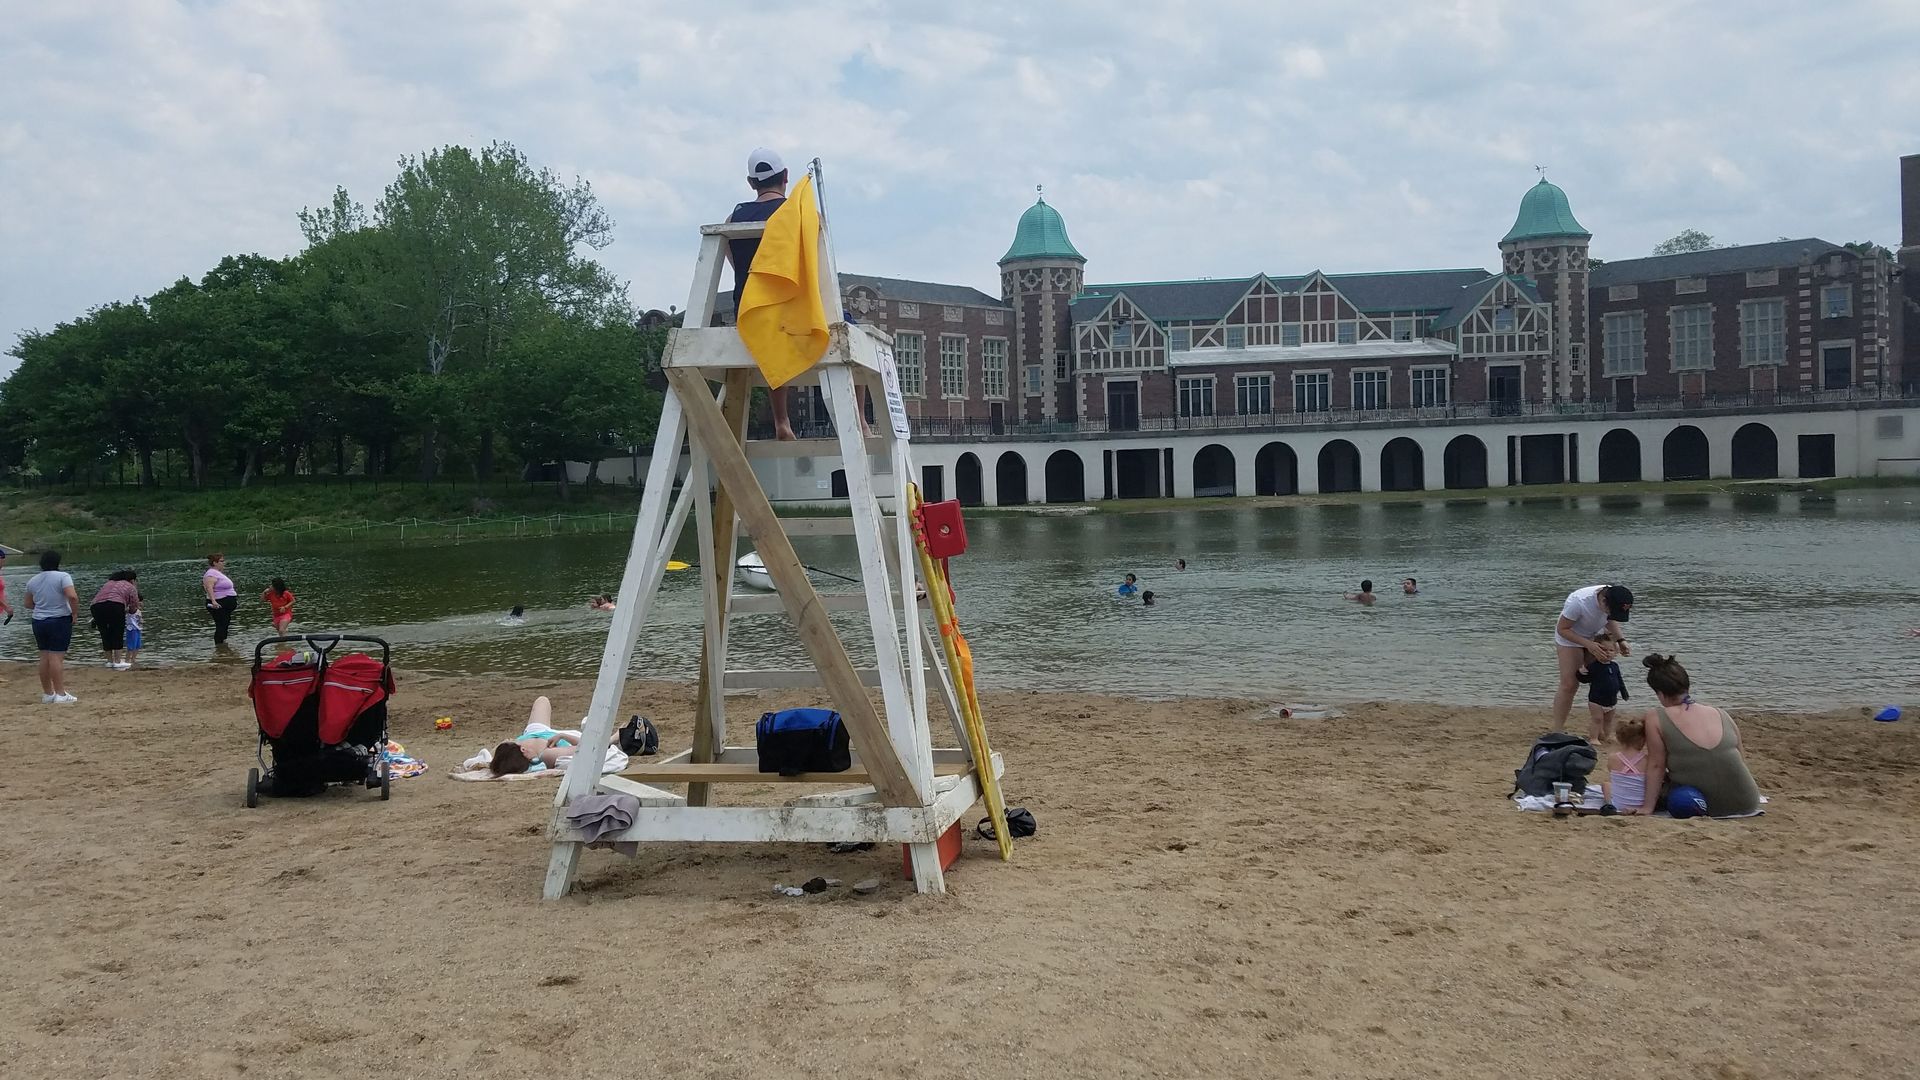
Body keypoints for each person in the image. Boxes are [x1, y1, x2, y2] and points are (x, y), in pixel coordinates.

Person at [1626, 653, 1761, 817]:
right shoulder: (1720, 713)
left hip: (1702, 804)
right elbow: (1741, 758)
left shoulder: (1655, 717)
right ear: (1686, 685)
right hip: (1747, 801)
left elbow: (1656, 765)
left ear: (1660, 694)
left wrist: (1647, 807)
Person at [726, 147, 796, 440]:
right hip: (786, 308)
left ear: (751, 182)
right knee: (853, 331)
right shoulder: (794, 212)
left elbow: (732, 259)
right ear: (786, 177)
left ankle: (780, 421)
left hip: (747, 309)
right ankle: (862, 422)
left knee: (769, 335)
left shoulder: (733, 217)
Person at [1552, 584, 1632, 727]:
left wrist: (1621, 640)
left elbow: (1610, 619)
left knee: (1602, 679)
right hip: (1569, 636)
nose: (1612, 614)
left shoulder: (1615, 595)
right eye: (1611, 610)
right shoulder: (1579, 602)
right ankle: (1557, 729)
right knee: (1569, 684)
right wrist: (1588, 645)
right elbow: (1562, 629)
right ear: (1603, 601)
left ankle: (1599, 726)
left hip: (1593, 635)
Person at [25, 550, 80, 703]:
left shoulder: (33, 580)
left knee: (44, 656)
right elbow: (72, 596)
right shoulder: (63, 576)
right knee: (56, 657)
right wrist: (74, 613)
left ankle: (48, 693)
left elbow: (28, 603)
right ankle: (60, 694)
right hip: (59, 619)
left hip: (38, 621)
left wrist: (43, 605)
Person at [489, 696, 583, 776]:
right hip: (553, 737)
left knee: (542, 700)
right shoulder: (547, 755)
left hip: (533, 731)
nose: (509, 739)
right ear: (522, 749)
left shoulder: (511, 754)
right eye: (510, 741)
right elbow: (585, 747)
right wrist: (563, 736)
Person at [89, 569, 140, 670]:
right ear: (132, 580)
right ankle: (117, 661)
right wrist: (129, 611)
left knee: (105, 633)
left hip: (96, 606)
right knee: (117, 632)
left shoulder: (108, 583)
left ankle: (109, 661)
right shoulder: (130, 586)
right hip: (115, 605)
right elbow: (134, 605)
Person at [1606, 716, 1649, 812]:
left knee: (1606, 785)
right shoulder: (1647, 760)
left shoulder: (1613, 758)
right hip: (1641, 804)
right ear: (1642, 740)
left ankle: (1609, 804)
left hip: (1618, 804)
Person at [203, 553, 239, 646]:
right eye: (221, 561)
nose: (224, 563)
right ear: (215, 563)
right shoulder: (211, 573)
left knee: (224, 623)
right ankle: (219, 644)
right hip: (218, 603)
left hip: (224, 603)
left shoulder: (218, 573)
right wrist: (213, 601)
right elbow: (209, 587)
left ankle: (222, 647)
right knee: (221, 625)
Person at [124, 599, 144, 669]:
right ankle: (127, 661)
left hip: (138, 629)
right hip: (131, 629)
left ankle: (133, 660)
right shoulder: (131, 609)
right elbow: (130, 609)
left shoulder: (138, 610)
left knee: (137, 645)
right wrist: (136, 604)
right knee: (131, 647)